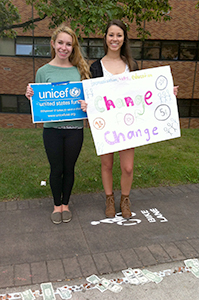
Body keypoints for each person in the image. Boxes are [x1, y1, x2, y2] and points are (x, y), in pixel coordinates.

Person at [87, 19, 179, 220]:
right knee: (107, 165)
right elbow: (92, 96)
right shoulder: (95, 67)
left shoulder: (132, 65)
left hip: (129, 124)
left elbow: (143, 92)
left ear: (124, 39)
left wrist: (165, 92)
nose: (114, 39)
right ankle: (110, 198)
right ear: (105, 37)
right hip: (106, 125)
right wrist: (87, 104)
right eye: (111, 34)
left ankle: (125, 199)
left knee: (128, 167)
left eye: (119, 35)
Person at [26, 24, 90, 225]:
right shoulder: (43, 72)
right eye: (60, 43)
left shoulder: (79, 70)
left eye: (68, 44)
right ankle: (56, 206)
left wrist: (87, 104)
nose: (64, 47)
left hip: (75, 130)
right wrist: (30, 96)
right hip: (52, 130)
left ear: (73, 47)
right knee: (56, 169)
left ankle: (66, 205)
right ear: (53, 44)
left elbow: (90, 99)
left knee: (69, 168)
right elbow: (40, 103)